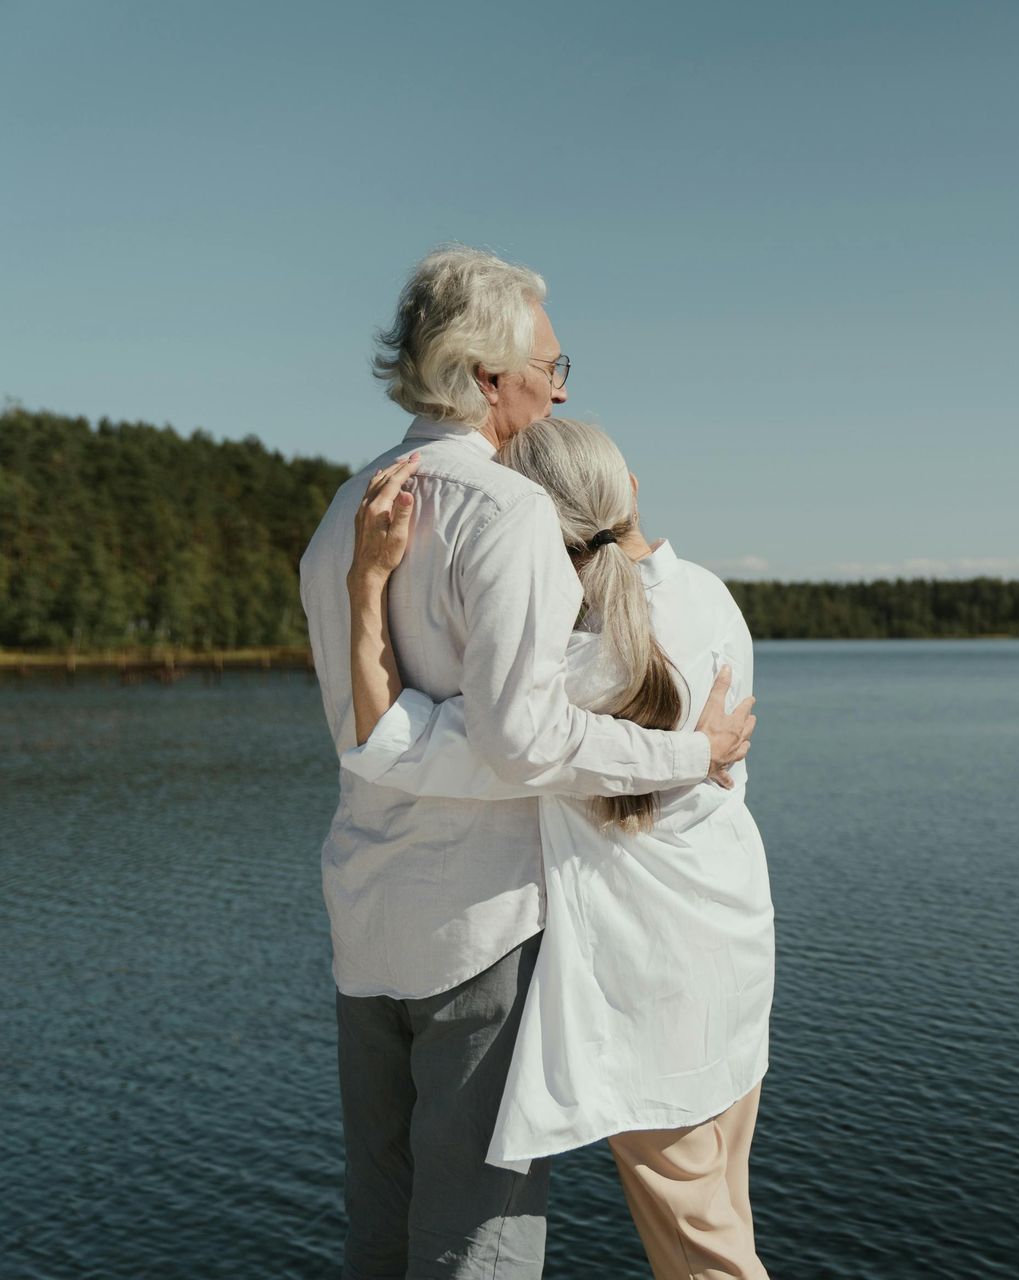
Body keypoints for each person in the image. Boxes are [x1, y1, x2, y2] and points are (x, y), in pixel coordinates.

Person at [299, 246, 755, 1280]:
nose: (560, 386)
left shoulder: (343, 509)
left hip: (364, 915)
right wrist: (693, 749)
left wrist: (401, 735)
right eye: (552, 365)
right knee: (479, 1235)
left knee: (382, 1217)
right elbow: (526, 739)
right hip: (479, 929)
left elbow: (363, 730)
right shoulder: (507, 513)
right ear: (486, 377)